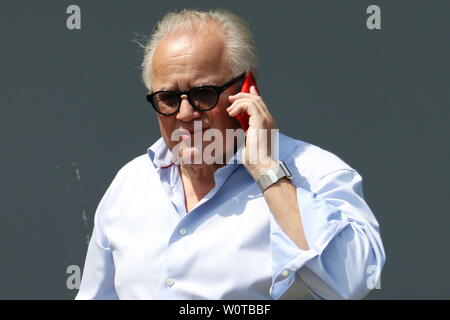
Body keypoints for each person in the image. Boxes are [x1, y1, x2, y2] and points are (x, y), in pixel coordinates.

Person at [76, 9, 385, 300]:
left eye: (203, 94)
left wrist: (266, 170)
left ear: (247, 89)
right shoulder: (130, 183)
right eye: (168, 98)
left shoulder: (314, 173)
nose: (185, 113)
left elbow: (353, 281)